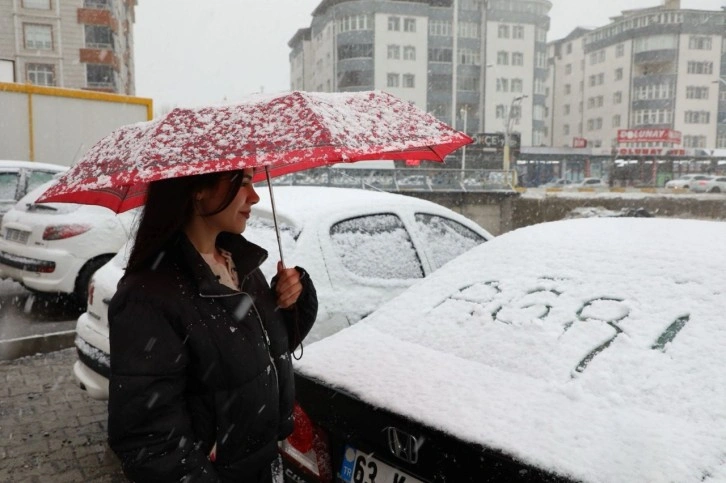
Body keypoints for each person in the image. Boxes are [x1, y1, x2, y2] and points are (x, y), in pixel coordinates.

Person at [107, 168, 318, 482]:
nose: (255, 196)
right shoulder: (149, 296)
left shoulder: (239, 264)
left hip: (263, 467)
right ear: (198, 190)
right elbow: (149, 440)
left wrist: (293, 301)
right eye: (242, 183)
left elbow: (265, 355)